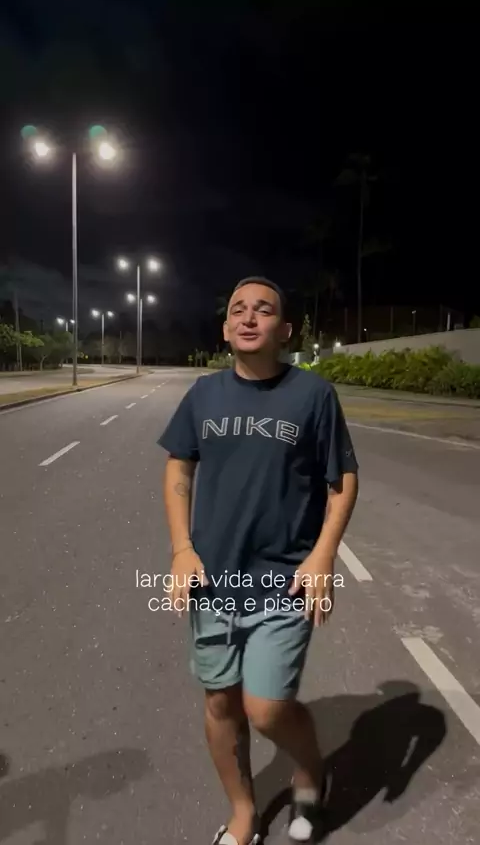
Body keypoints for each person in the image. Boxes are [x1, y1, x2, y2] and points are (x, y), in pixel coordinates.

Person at [158, 277, 359, 845]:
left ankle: (311, 770)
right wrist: (181, 549)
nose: (249, 318)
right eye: (238, 310)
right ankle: (243, 812)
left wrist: (323, 555)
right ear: (226, 328)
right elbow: (179, 467)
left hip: (284, 581)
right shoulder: (204, 395)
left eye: (263, 310)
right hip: (212, 581)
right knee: (221, 702)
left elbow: (342, 480)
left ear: (285, 330)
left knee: (266, 709)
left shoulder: (313, 395)